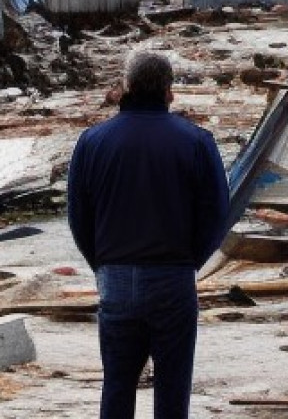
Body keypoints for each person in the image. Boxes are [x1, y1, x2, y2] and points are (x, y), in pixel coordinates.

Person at [67, 50, 230, 418]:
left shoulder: (92, 142)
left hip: (116, 279)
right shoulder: (197, 141)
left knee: (117, 385)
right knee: (172, 391)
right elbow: (217, 215)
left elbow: (79, 218)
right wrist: (188, 260)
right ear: (169, 92)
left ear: (126, 86)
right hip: (173, 277)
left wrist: (104, 263)